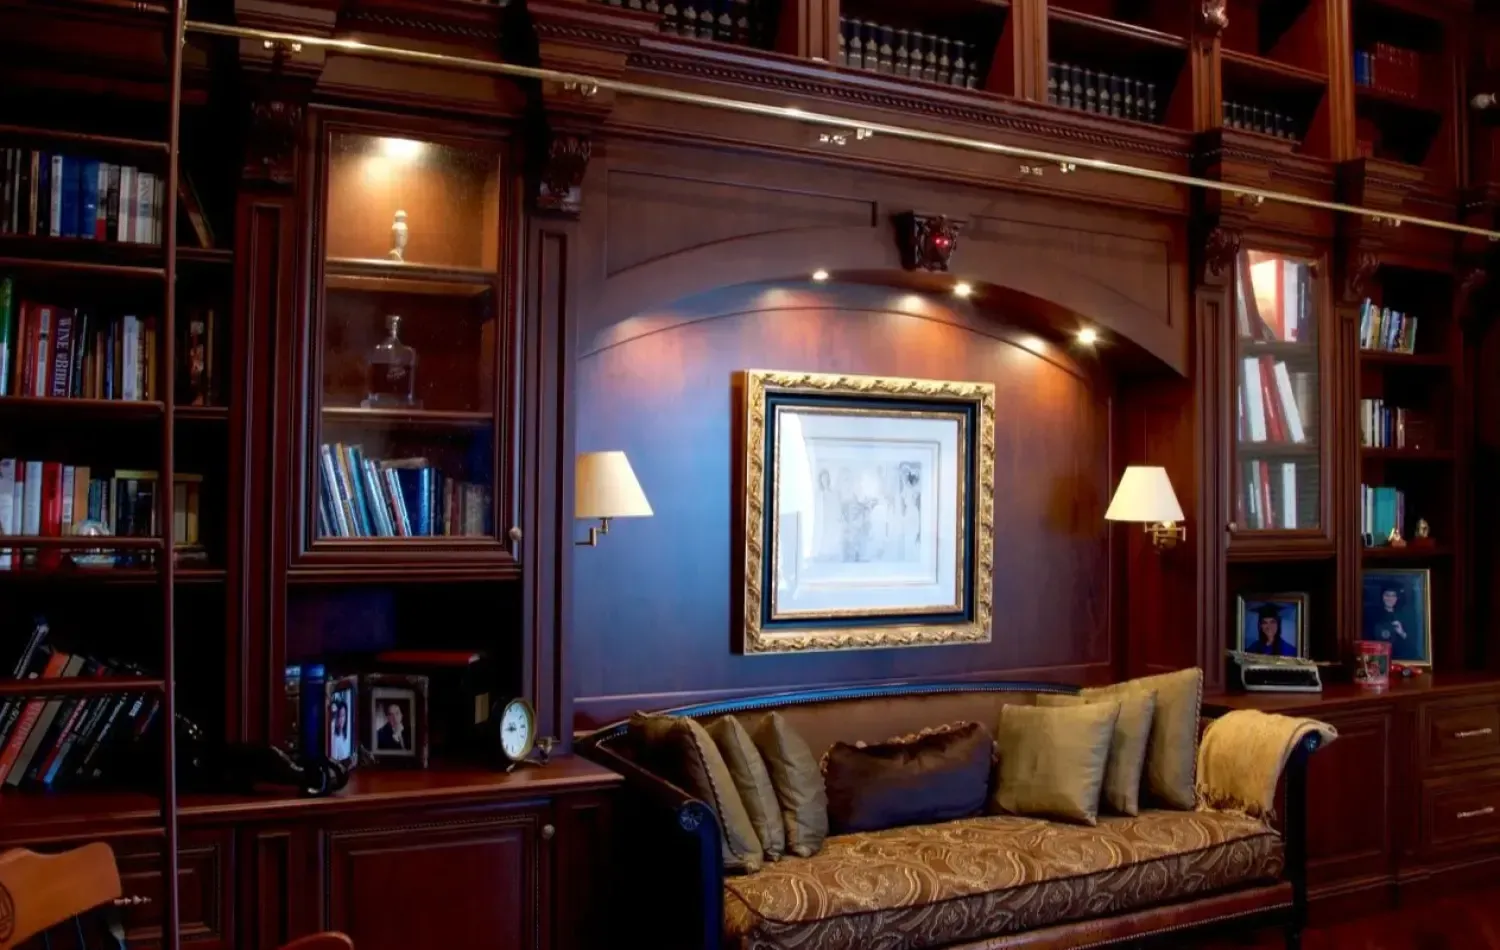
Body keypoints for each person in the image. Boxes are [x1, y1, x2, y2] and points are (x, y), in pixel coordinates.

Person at [1368, 584, 1422, 662]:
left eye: (1393, 596)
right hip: (1379, 658)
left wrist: (1402, 633)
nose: (1390, 598)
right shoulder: (1373, 615)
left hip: (1401, 659)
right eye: (1387, 595)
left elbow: (1413, 647)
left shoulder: (1405, 616)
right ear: (1382, 597)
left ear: (1397, 598)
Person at [328, 696, 351, 761]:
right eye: (339, 716)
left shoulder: (345, 735)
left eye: (343, 715)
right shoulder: (335, 739)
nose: (341, 719)